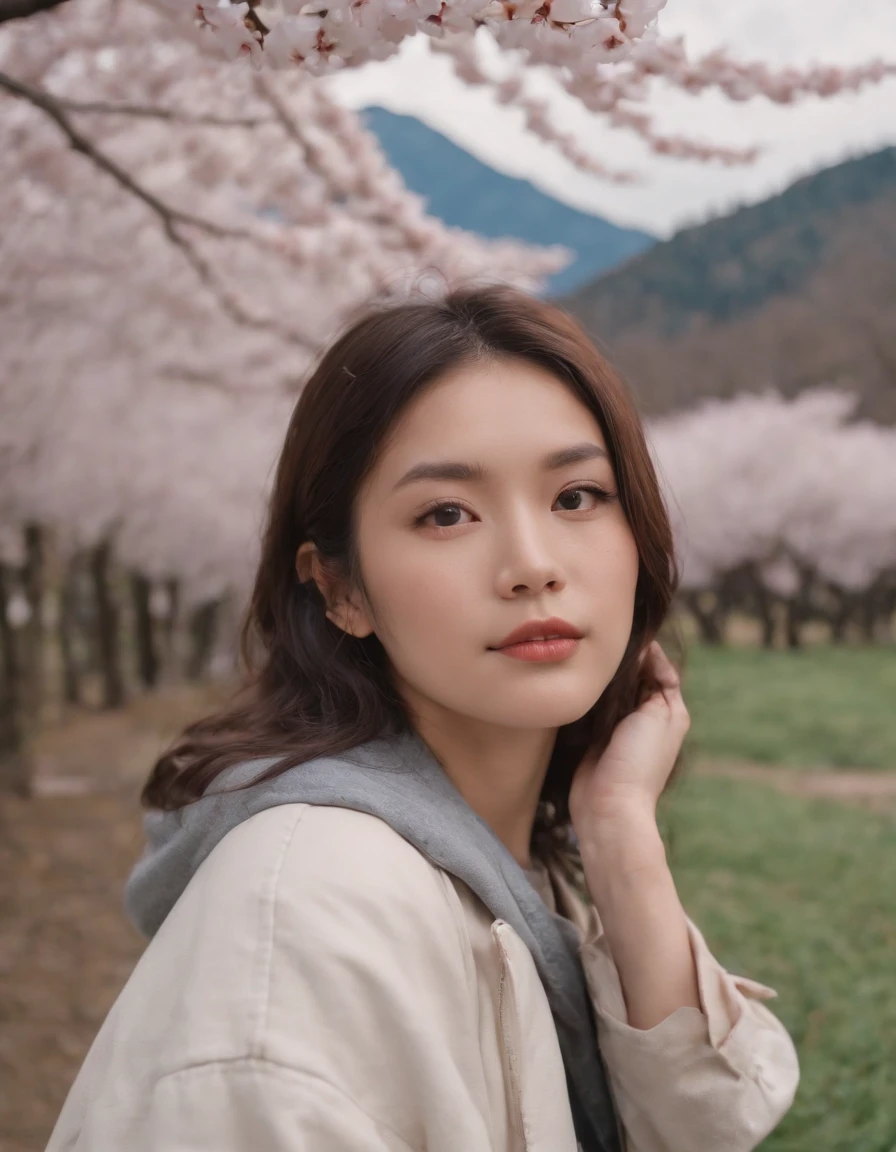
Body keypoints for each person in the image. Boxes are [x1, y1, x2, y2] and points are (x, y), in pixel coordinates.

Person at [46, 285, 799, 1152]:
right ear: (340, 589)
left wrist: (621, 834)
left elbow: (704, 1130)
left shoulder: (508, 848)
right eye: (447, 514)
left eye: (578, 496)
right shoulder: (305, 920)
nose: (532, 564)